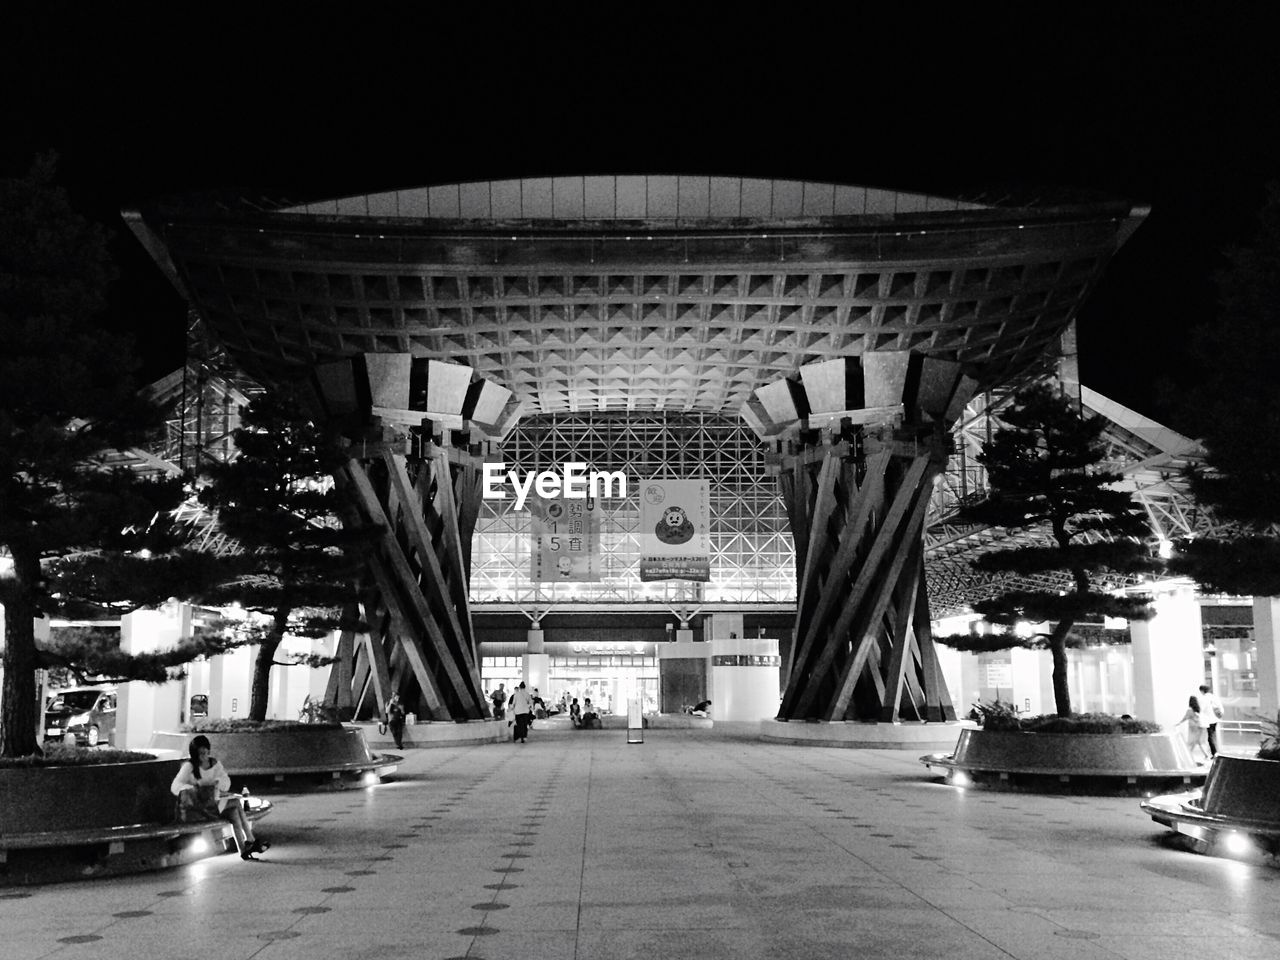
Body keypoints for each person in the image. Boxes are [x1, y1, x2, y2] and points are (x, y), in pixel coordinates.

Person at [171, 735, 268, 861]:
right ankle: (250, 840)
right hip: (198, 808)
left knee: (234, 811)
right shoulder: (189, 767)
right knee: (236, 802)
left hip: (213, 804)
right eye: (200, 754)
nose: (203, 757)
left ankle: (244, 849)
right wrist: (192, 787)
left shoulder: (215, 764)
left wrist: (218, 783)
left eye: (205, 753)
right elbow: (175, 786)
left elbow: (226, 782)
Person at [1178, 695, 1210, 764]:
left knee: (1193, 742)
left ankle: (1189, 755)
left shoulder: (1189, 710)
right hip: (1199, 726)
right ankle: (1205, 755)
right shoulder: (1198, 709)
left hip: (1193, 727)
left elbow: (1185, 717)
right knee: (1197, 742)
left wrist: (1179, 723)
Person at [1198, 683, 1224, 756]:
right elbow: (1221, 708)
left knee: (1210, 737)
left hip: (1208, 720)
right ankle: (1215, 752)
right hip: (1216, 719)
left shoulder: (1203, 698)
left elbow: (1201, 710)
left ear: (1202, 691)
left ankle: (1214, 753)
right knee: (1212, 735)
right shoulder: (1214, 697)